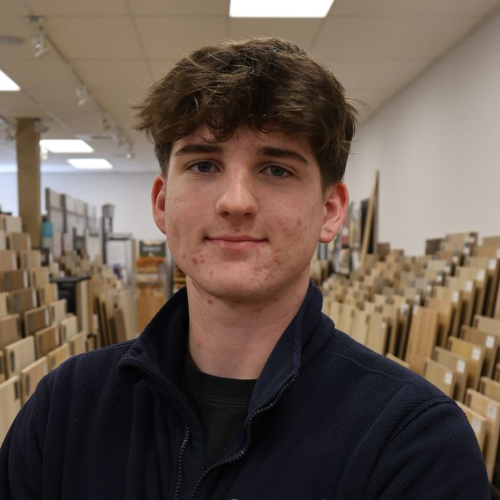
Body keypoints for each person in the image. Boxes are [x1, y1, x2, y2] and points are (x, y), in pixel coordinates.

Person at [0, 37, 489, 499]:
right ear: (163, 203)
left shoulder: (414, 441)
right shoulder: (65, 410)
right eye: (204, 166)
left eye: (276, 169)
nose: (236, 202)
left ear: (332, 210)